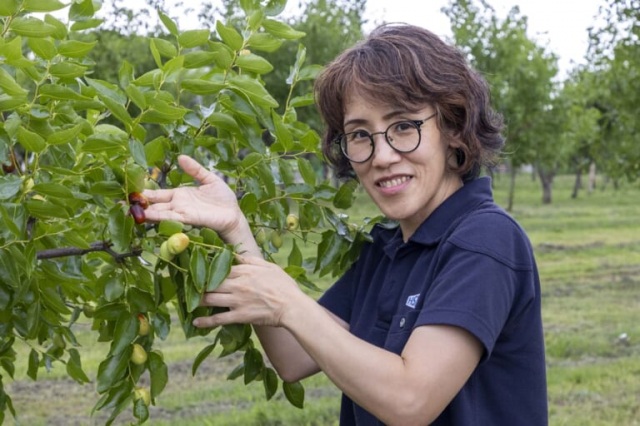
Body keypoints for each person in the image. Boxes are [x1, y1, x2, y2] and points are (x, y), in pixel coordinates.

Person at [143, 23, 548, 425]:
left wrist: (288, 300)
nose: (382, 155)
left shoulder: (485, 240)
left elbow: (410, 401)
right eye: (359, 134)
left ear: (453, 128)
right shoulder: (385, 250)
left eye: (404, 125)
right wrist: (235, 229)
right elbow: (292, 356)